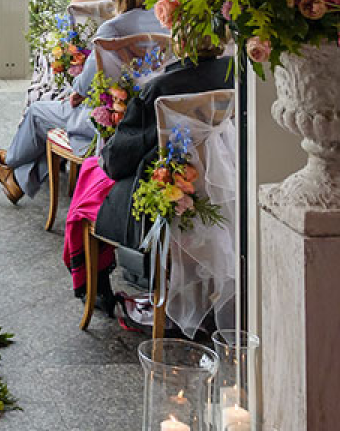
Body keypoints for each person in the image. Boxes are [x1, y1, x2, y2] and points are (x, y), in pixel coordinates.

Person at [64, 26, 233, 315]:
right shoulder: (234, 72)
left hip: (163, 185)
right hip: (222, 185)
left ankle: (93, 284)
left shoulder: (162, 86)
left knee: (90, 176)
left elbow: (119, 160)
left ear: (180, 40)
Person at [0, 0, 166, 204]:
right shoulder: (163, 21)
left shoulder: (112, 29)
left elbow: (83, 85)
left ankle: (10, 161)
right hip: (148, 118)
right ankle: (16, 182)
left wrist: (77, 93)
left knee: (38, 113)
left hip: (107, 122)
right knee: (53, 117)